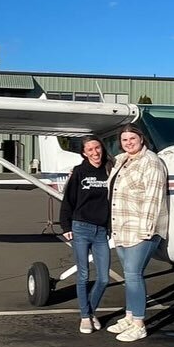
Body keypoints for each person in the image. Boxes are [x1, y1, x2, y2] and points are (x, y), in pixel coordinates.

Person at [106, 124, 169, 342]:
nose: (129, 142)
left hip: (141, 229)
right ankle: (130, 316)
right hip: (121, 226)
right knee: (129, 275)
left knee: (133, 275)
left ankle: (139, 324)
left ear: (142, 138)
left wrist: (146, 231)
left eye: (132, 138)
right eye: (124, 139)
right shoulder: (121, 159)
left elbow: (154, 197)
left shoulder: (151, 162)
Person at [59, 136, 112, 334]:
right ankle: (84, 317)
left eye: (97, 147)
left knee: (104, 278)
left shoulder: (110, 169)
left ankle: (90, 312)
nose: (95, 152)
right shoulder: (80, 172)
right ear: (84, 153)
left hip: (101, 231)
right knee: (83, 275)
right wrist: (65, 226)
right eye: (89, 149)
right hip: (81, 227)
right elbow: (68, 200)